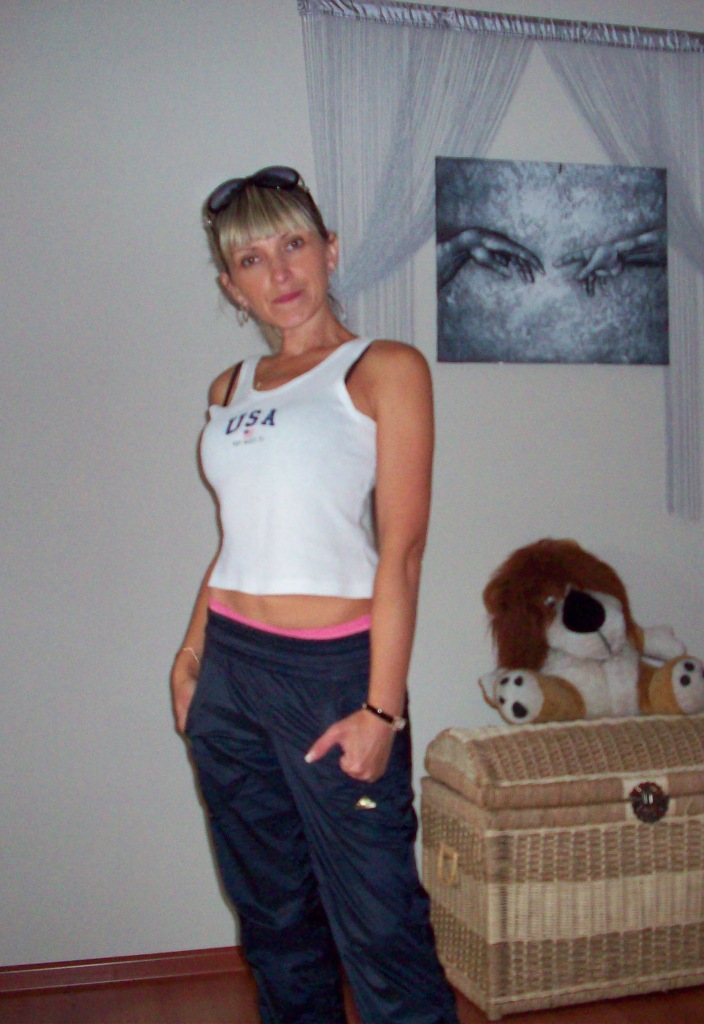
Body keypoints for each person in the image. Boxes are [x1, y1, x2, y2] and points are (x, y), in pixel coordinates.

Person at [170, 166, 459, 1024]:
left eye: (293, 243)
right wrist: (189, 657)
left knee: (381, 927)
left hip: (331, 678)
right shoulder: (228, 388)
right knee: (274, 925)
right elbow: (237, 540)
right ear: (232, 286)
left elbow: (401, 553)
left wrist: (381, 711)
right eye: (251, 259)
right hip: (229, 673)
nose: (280, 271)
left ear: (330, 250)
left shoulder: (383, 369)